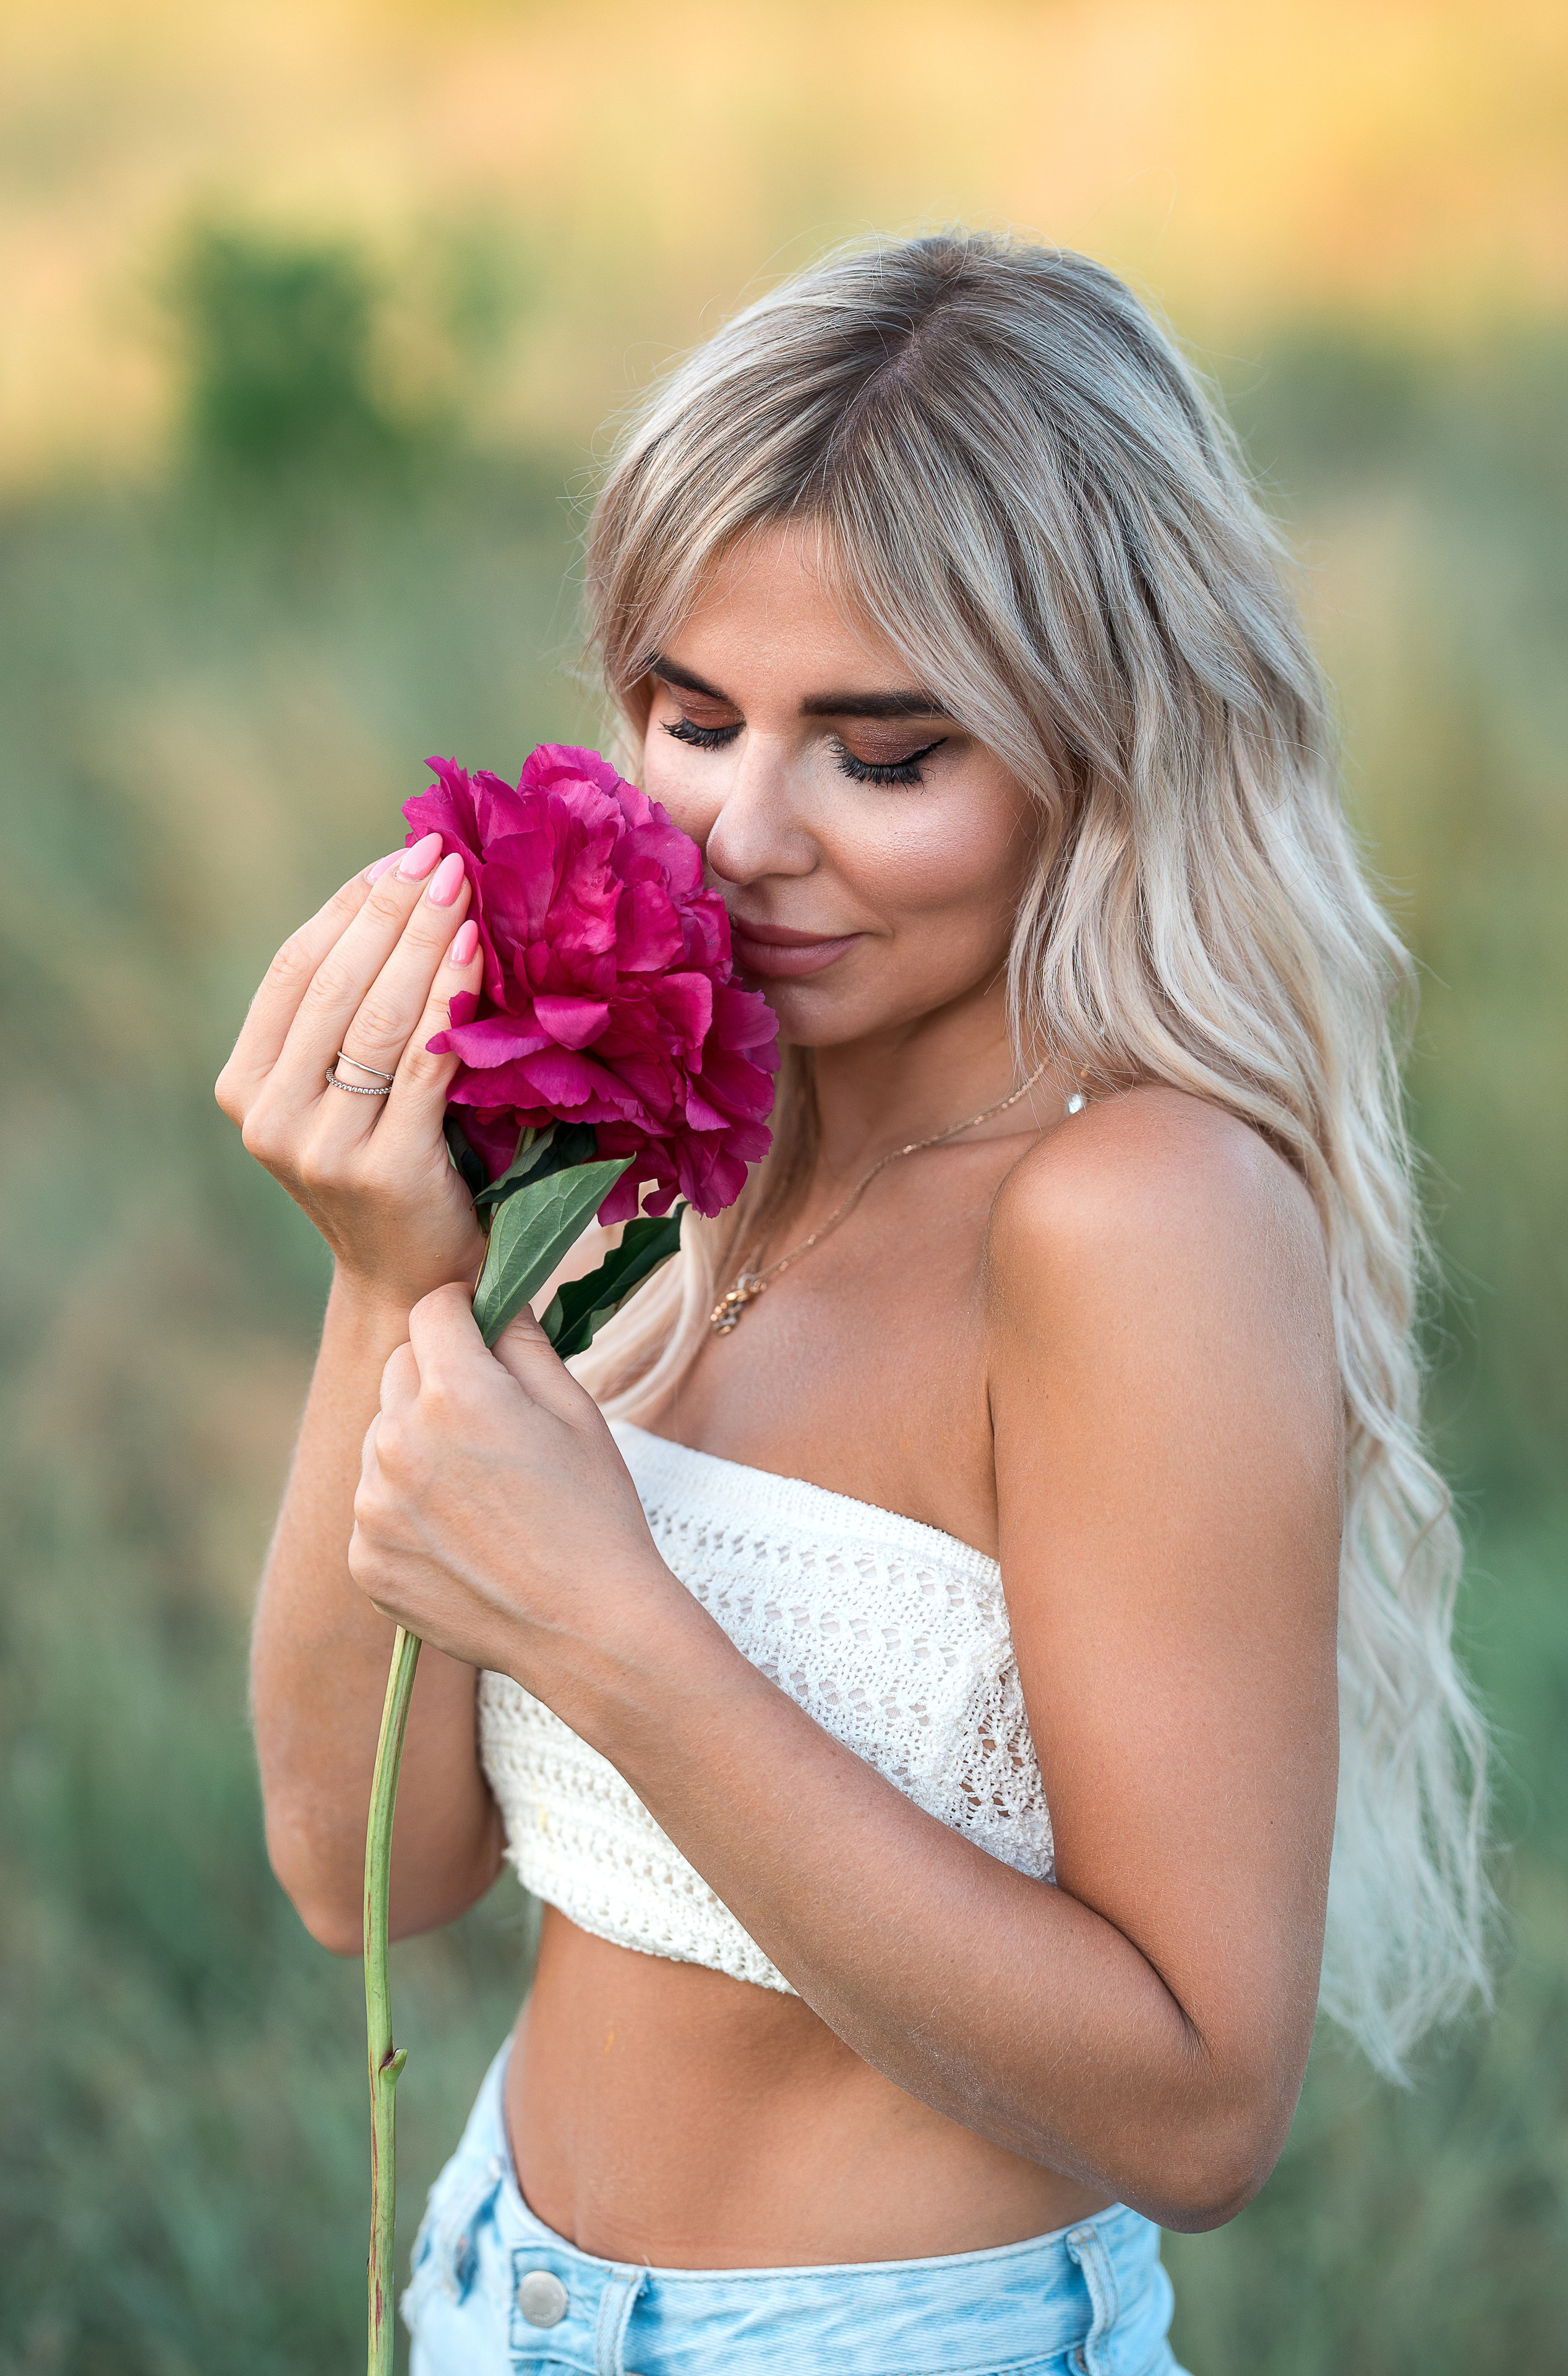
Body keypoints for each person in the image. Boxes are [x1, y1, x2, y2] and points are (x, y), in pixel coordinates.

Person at [216, 232, 1491, 2376]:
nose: (738, 834)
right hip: (487, 2286)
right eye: (691, 715)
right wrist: (397, 1269)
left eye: (881, 755)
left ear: (1104, 747)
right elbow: (365, 1875)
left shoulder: (1135, 1218)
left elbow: (1199, 2106)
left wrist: (609, 1624)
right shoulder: (673, 1157)